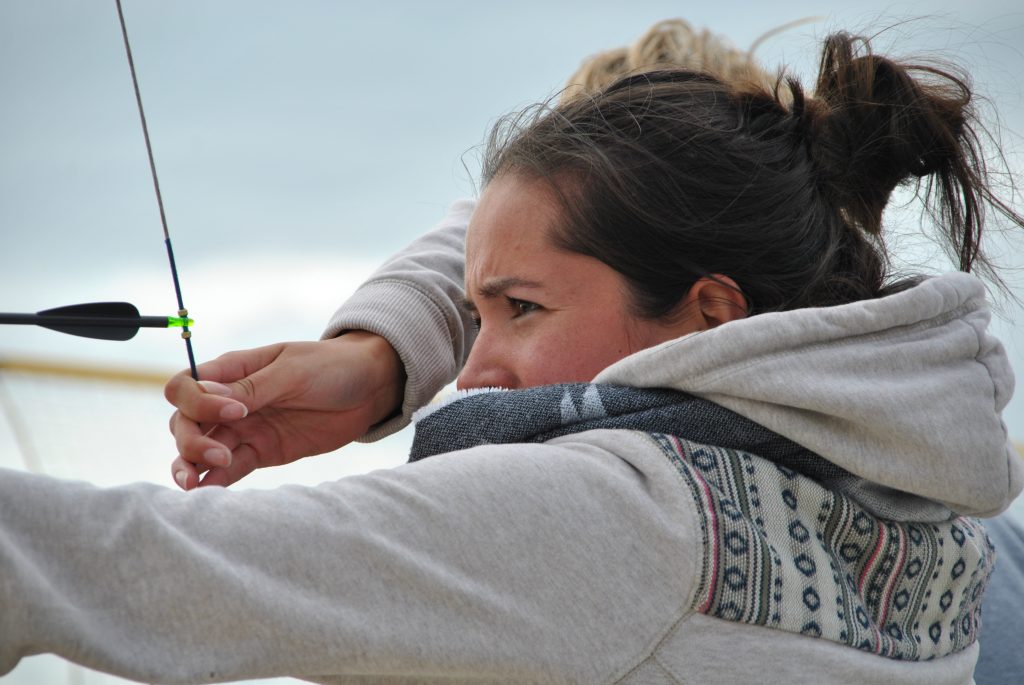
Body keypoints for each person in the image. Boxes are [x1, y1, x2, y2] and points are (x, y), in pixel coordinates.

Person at [2, 28, 1022, 685]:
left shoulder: (625, 514)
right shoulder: (923, 488)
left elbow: (113, 562)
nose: (473, 369)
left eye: (517, 309)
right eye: (470, 314)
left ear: (713, 310)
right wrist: (380, 357)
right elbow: (573, 231)